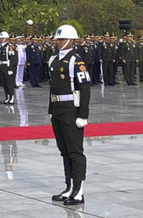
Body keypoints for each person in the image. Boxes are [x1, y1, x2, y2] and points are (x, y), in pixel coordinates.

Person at [49, 24, 91, 206]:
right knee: (64, 151)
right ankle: (68, 187)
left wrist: (83, 114)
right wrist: (51, 110)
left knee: (75, 151)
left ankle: (78, 190)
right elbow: (52, 87)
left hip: (71, 109)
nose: (58, 42)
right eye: (57, 40)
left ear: (71, 40)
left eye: (61, 39)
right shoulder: (53, 60)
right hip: (58, 108)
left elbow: (85, 88)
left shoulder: (76, 60)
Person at [0, 32, 18, 105]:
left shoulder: (9, 47)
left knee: (9, 83)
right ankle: (7, 98)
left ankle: (12, 98)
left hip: (7, 66)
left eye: (2, 38)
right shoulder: (0, 47)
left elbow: (12, 58)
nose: (1, 39)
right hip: (2, 66)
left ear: (6, 39)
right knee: (4, 83)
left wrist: (10, 69)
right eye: (0, 38)